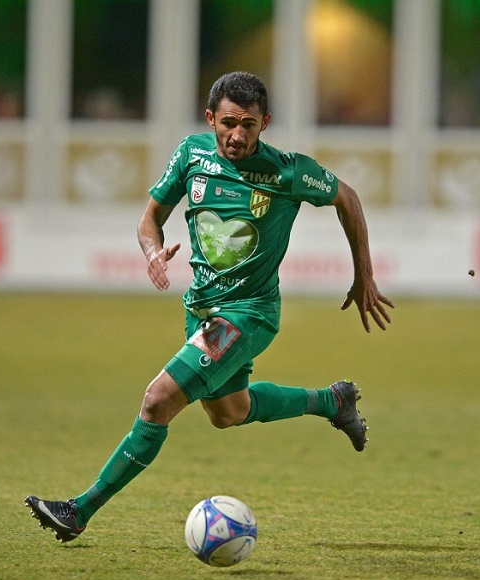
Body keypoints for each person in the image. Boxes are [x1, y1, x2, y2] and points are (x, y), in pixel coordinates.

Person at [25, 71, 394, 542]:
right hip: (200, 310)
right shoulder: (191, 154)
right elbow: (150, 218)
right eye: (228, 123)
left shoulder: (287, 171)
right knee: (229, 412)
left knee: (158, 400)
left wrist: (364, 274)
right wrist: (152, 252)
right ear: (210, 119)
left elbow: (348, 197)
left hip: (247, 313)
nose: (237, 135)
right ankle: (332, 401)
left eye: (249, 125)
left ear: (265, 123)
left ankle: (79, 510)